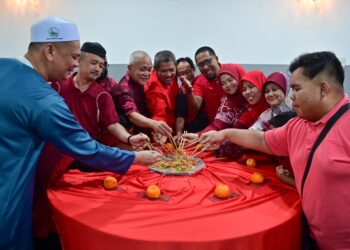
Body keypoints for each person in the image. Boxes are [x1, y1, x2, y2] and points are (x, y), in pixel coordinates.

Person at [0, 17, 161, 250]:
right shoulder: (44, 98)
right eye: (75, 57)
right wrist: (134, 158)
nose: (76, 64)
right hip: (9, 194)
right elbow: (84, 146)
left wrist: (127, 138)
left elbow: (110, 125)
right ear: (49, 50)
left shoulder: (5, 67)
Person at [200, 51, 350, 249]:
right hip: (314, 236)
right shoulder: (298, 125)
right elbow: (261, 139)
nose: (291, 96)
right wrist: (225, 134)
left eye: (296, 89)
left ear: (323, 89)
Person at [53, 42, 148, 147]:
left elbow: (113, 124)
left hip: (87, 151)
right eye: (93, 63)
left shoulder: (102, 96)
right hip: (58, 147)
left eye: (101, 65)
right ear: (79, 60)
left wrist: (129, 138)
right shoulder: (58, 86)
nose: (97, 69)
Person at [115, 50, 172, 136]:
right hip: (128, 136)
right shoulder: (124, 88)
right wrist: (154, 124)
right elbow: (132, 115)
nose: (147, 74)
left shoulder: (142, 81)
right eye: (142, 69)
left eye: (149, 70)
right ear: (130, 68)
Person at [184, 46, 246, 123]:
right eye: (200, 65)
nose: (205, 67)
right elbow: (195, 106)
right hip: (218, 127)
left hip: (244, 122)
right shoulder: (199, 81)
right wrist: (189, 91)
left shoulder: (235, 69)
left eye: (208, 61)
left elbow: (249, 90)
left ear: (216, 59)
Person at [144, 50, 179, 134]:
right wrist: (161, 134)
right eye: (164, 71)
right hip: (161, 130)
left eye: (171, 70)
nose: (168, 74)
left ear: (175, 67)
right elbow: (159, 115)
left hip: (175, 123)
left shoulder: (173, 76)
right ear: (155, 69)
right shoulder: (153, 87)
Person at [175, 57, 208, 135]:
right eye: (181, 74)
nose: (186, 76)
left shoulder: (202, 80)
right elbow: (180, 117)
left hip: (208, 127)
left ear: (194, 70)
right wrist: (179, 134)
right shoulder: (181, 93)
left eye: (188, 72)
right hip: (191, 130)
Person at [268, 111, 297, 187]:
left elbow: (309, 187)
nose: (272, 138)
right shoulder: (277, 148)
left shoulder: (301, 154)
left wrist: (284, 178)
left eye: (276, 134)